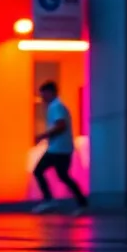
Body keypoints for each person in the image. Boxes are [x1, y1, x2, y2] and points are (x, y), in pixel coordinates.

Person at [32, 80, 89, 214]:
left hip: (57, 149)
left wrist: (43, 136)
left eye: (43, 94)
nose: (42, 98)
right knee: (63, 176)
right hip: (63, 149)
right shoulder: (58, 106)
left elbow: (61, 125)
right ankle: (82, 203)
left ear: (51, 92)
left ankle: (49, 200)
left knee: (38, 171)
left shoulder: (55, 106)